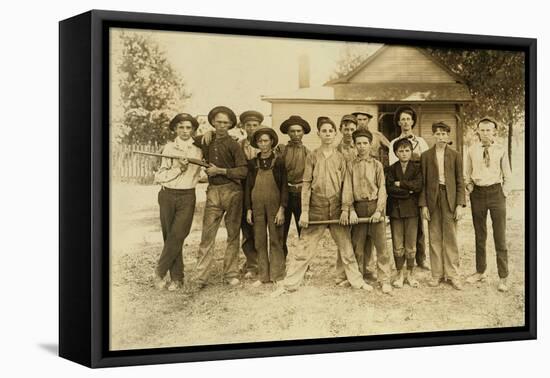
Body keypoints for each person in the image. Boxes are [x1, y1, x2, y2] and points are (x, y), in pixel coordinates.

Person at [272, 116, 372, 296]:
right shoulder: (312, 156)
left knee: (346, 248)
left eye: (330, 131)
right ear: (319, 134)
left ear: (335, 134)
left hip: (335, 208)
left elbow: (346, 186)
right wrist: (304, 212)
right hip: (316, 208)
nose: (327, 134)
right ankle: (289, 284)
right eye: (324, 131)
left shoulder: (341, 157)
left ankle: (356, 281)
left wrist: (345, 209)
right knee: (304, 248)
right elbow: (307, 184)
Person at [193, 106, 248, 288]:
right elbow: (189, 141)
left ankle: (230, 274)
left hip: (232, 192)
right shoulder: (206, 140)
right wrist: (207, 133)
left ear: (231, 124)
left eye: (226, 122)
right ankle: (201, 277)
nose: (222, 125)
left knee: (233, 235)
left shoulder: (234, 145)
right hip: (213, 192)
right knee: (207, 236)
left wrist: (220, 171)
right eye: (218, 122)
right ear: (213, 123)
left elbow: (243, 171)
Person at [153, 113, 203, 291]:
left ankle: (159, 272)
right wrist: (179, 169)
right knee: (170, 236)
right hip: (167, 195)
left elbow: (202, 174)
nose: (184, 131)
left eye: (188, 127)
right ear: (175, 128)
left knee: (178, 234)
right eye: (181, 127)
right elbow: (160, 177)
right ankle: (177, 278)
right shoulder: (168, 148)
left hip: (187, 196)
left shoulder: (198, 149)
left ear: (193, 130)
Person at [464, 117, 512, 292]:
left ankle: (503, 276)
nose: (485, 133)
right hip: (478, 193)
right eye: (481, 130)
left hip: (496, 193)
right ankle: (480, 271)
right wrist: (469, 187)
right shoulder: (471, 150)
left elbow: (507, 174)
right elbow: (467, 173)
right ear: (477, 131)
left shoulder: (500, 150)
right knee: (480, 234)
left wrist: (504, 193)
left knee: (499, 235)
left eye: (488, 130)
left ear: (494, 132)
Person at [419, 122, 466, 290]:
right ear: (433, 136)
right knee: (434, 237)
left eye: (443, 134)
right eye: (437, 133)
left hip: (450, 198)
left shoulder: (455, 155)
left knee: (451, 237)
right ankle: (436, 274)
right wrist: (424, 205)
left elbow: (460, 181)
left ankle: (453, 275)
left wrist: (460, 204)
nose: (440, 137)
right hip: (433, 199)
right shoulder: (426, 156)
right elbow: (423, 184)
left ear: (448, 136)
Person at [347, 129, 392, 294]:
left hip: (374, 206)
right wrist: (351, 210)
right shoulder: (350, 165)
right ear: (354, 145)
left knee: (381, 247)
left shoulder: (377, 165)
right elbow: (348, 189)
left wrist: (379, 211)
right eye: (358, 143)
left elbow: (382, 189)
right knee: (358, 246)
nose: (362, 146)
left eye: (365, 143)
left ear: (370, 144)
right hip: (358, 208)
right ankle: (359, 276)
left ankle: (384, 280)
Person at [388, 106, 430, 271]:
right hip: (401, 191)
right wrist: (406, 187)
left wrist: (416, 186)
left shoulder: (421, 142)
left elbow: (425, 165)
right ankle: (401, 261)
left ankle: (421, 259)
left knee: (418, 224)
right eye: (402, 119)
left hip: (417, 186)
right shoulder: (393, 144)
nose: (405, 122)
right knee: (400, 228)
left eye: (408, 119)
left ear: (413, 121)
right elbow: (394, 169)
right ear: (399, 122)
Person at [245, 127, 288, 287]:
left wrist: (282, 209)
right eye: (260, 141)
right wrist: (248, 208)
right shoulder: (252, 163)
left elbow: (284, 187)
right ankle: (263, 276)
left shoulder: (279, 162)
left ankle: (278, 275)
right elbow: (248, 187)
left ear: (271, 142)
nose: (263, 144)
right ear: (256, 143)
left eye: (266, 141)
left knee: (276, 239)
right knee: (259, 240)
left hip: (274, 206)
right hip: (256, 207)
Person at [386, 138, 423, 288]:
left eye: (407, 150)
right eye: (400, 151)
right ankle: (399, 274)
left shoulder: (417, 168)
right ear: (395, 153)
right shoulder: (390, 169)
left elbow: (418, 186)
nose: (404, 153)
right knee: (397, 243)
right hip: (396, 210)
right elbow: (389, 189)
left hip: (412, 211)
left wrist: (400, 184)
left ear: (411, 152)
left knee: (411, 244)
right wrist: (408, 191)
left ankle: (411, 273)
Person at [275, 115, 311, 258]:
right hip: (283, 194)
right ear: (287, 133)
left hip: (301, 195)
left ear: (303, 132)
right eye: (292, 131)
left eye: (299, 131)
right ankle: (280, 262)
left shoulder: (308, 152)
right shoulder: (281, 151)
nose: (296, 134)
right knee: (280, 230)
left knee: (303, 231)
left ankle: (303, 265)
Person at [238, 110, 262, 279]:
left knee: (261, 227)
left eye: (255, 125)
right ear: (244, 127)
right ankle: (252, 264)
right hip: (243, 188)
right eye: (249, 125)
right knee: (247, 227)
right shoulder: (239, 145)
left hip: (262, 188)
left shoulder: (266, 142)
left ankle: (263, 261)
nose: (252, 128)